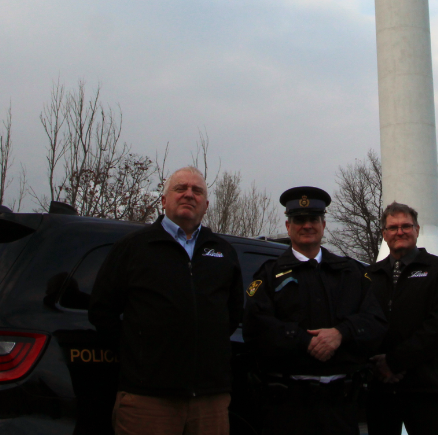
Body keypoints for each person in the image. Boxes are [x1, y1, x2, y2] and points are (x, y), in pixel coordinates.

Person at [89, 167, 243, 435]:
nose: (188, 195)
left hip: (210, 401)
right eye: (180, 188)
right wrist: (140, 355)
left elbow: (231, 315)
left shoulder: (223, 252)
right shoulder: (133, 247)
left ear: (206, 205)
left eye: (197, 191)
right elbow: (102, 311)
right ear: (163, 200)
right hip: (147, 400)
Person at [243, 186, 386, 435]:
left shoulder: (351, 273)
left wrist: (341, 333)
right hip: (287, 409)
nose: (307, 225)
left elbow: (376, 322)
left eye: (313, 219)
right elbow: (255, 327)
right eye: (299, 220)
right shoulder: (269, 275)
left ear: (323, 224)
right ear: (288, 226)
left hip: (340, 409)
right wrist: (303, 341)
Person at [365, 201, 438, 435]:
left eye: (406, 226)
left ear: (417, 230)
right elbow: (362, 324)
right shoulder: (370, 276)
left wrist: (394, 363)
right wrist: (377, 366)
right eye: (393, 227)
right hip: (381, 391)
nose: (400, 232)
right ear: (385, 234)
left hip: (426, 389)